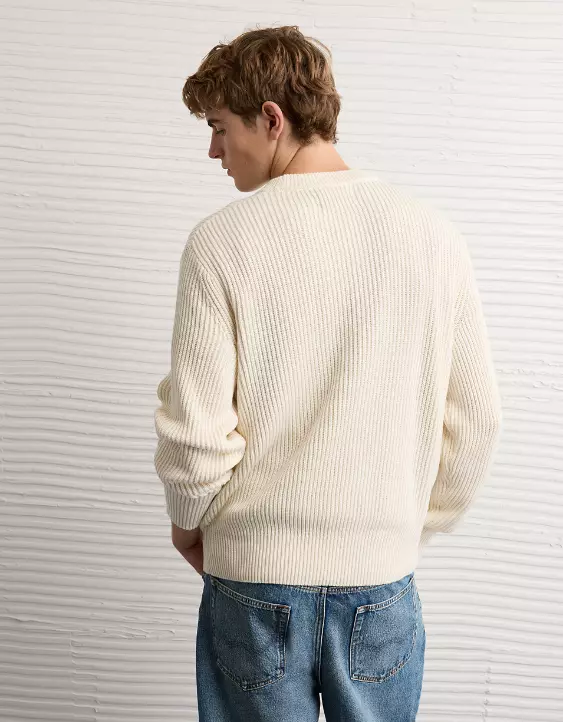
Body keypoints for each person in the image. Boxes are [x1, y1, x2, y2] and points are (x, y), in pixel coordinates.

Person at [153, 25, 503, 722]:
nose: (214, 150)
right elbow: (475, 423)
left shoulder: (221, 242)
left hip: (253, 581)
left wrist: (189, 525)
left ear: (271, 119)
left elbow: (196, 434)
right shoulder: (432, 236)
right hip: (380, 582)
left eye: (220, 127)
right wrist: (394, 529)